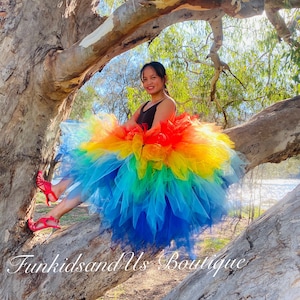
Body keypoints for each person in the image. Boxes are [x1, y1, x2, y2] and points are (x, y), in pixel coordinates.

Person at [28, 61, 244, 254]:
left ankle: (56, 195)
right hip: (137, 151)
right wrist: (113, 137)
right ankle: (54, 210)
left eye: (153, 78)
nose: (148, 83)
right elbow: (128, 126)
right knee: (95, 165)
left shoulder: (167, 103)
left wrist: (128, 141)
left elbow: (157, 133)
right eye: (144, 79)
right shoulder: (144, 105)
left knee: (98, 167)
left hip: (151, 161)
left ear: (163, 79)